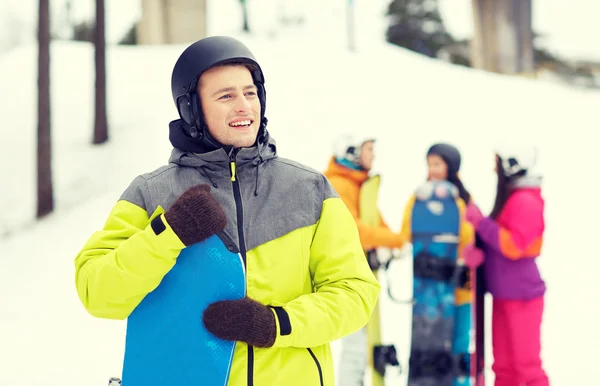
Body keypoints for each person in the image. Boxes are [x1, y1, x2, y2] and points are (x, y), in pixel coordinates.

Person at [74, 36, 380, 386]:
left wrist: (276, 323)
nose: (244, 107)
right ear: (192, 109)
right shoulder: (150, 193)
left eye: (250, 93)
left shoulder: (309, 190)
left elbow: (356, 293)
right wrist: (167, 234)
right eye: (226, 96)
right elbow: (98, 294)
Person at [323, 134, 405, 385]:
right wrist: (394, 240)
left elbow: (375, 222)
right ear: (352, 152)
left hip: (361, 273)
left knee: (365, 341)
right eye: (369, 149)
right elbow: (354, 229)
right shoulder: (337, 184)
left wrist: (390, 241)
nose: (374, 154)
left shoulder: (361, 186)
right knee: (356, 345)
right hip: (342, 274)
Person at [465, 144, 549, 386]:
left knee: (526, 367)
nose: (494, 169)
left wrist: (481, 223)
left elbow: (514, 245)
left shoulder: (525, 201)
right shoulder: (512, 198)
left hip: (522, 297)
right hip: (504, 294)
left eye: (498, 162)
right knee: (504, 367)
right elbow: (499, 242)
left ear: (512, 164)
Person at [399, 143, 477, 383]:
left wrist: (453, 213)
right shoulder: (419, 198)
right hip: (429, 293)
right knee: (430, 346)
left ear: (450, 167)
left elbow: (471, 237)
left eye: (437, 164)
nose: (432, 170)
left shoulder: (463, 200)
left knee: (459, 345)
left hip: (462, 289)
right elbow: (406, 233)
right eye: (429, 164)